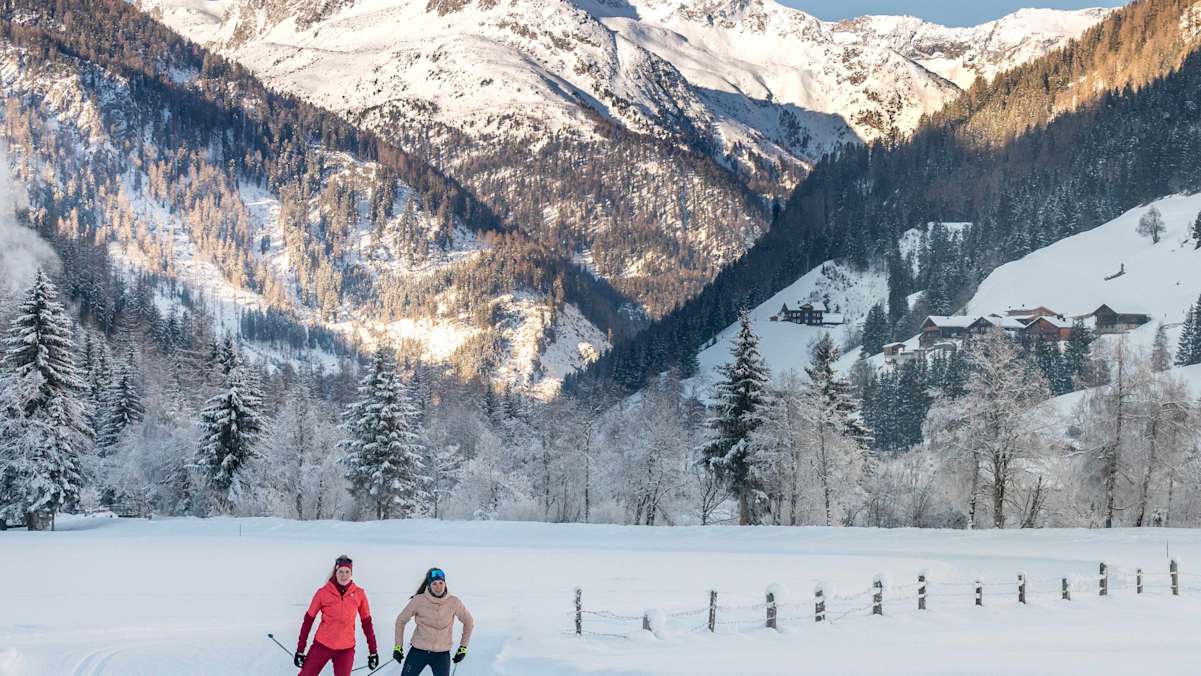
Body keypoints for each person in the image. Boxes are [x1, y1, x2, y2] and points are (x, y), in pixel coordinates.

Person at [295, 555, 380, 676]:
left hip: (346, 649)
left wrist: (373, 651)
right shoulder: (322, 593)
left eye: (347, 572)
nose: (344, 575)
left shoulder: (359, 594)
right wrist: (300, 650)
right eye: (340, 571)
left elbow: (367, 624)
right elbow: (308, 621)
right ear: (335, 572)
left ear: (351, 573)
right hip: (322, 646)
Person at [393, 567, 475, 676]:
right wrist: (398, 647)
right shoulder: (418, 600)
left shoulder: (454, 602)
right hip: (418, 651)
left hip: (441, 655)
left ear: (445, 583)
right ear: (429, 585)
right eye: (434, 583)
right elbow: (401, 620)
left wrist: (463, 647)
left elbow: (469, 622)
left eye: (441, 583)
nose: (438, 587)